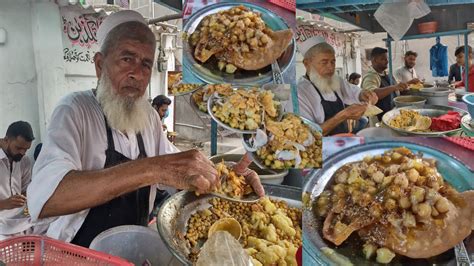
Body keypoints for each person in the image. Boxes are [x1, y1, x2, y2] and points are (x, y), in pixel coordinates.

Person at [27, 10, 264, 247]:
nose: (137, 74)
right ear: (100, 65)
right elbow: (46, 199)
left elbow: (178, 169)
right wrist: (154, 169)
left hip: (133, 248)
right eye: (127, 59)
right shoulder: (74, 110)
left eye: (146, 63)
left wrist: (227, 178)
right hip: (79, 252)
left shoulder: (149, 117)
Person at [295, 36, 378, 136]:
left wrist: (364, 94)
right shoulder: (299, 93)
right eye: (324, 62)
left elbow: (355, 93)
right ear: (307, 64)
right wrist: (341, 116)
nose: (330, 67)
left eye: (333, 61)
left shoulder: (336, 81)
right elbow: (309, 135)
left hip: (343, 141)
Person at [361, 47, 418, 120]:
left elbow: (398, 88)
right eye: (383, 59)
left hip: (392, 114)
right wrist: (394, 87)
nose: (387, 61)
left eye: (387, 59)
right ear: (374, 60)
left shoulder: (387, 74)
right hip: (379, 118)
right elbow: (371, 94)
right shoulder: (371, 76)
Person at [0, 121, 34, 239]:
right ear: (6, 140)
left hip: (21, 220)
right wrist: (4, 204)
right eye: (19, 148)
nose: (23, 153)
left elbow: (26, 191)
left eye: (26, 149)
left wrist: (25, 204)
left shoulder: (24, 160)